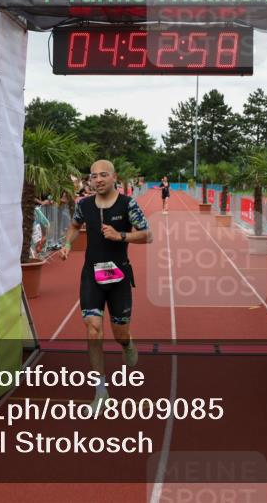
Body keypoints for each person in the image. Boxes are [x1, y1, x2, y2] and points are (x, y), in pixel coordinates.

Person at [59, 159, 151, 408]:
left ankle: (127, 343)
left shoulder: (128, 204)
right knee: (93, 328)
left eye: (103, 175)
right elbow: (74, 226)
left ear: (114, 177)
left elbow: (147, 234)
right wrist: (67, 244)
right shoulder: (84, 205)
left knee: (120, 333)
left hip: (118, 276)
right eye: (93, 176)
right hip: (91, 276)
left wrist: (121, 235)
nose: (97, 180)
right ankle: (101, 391)